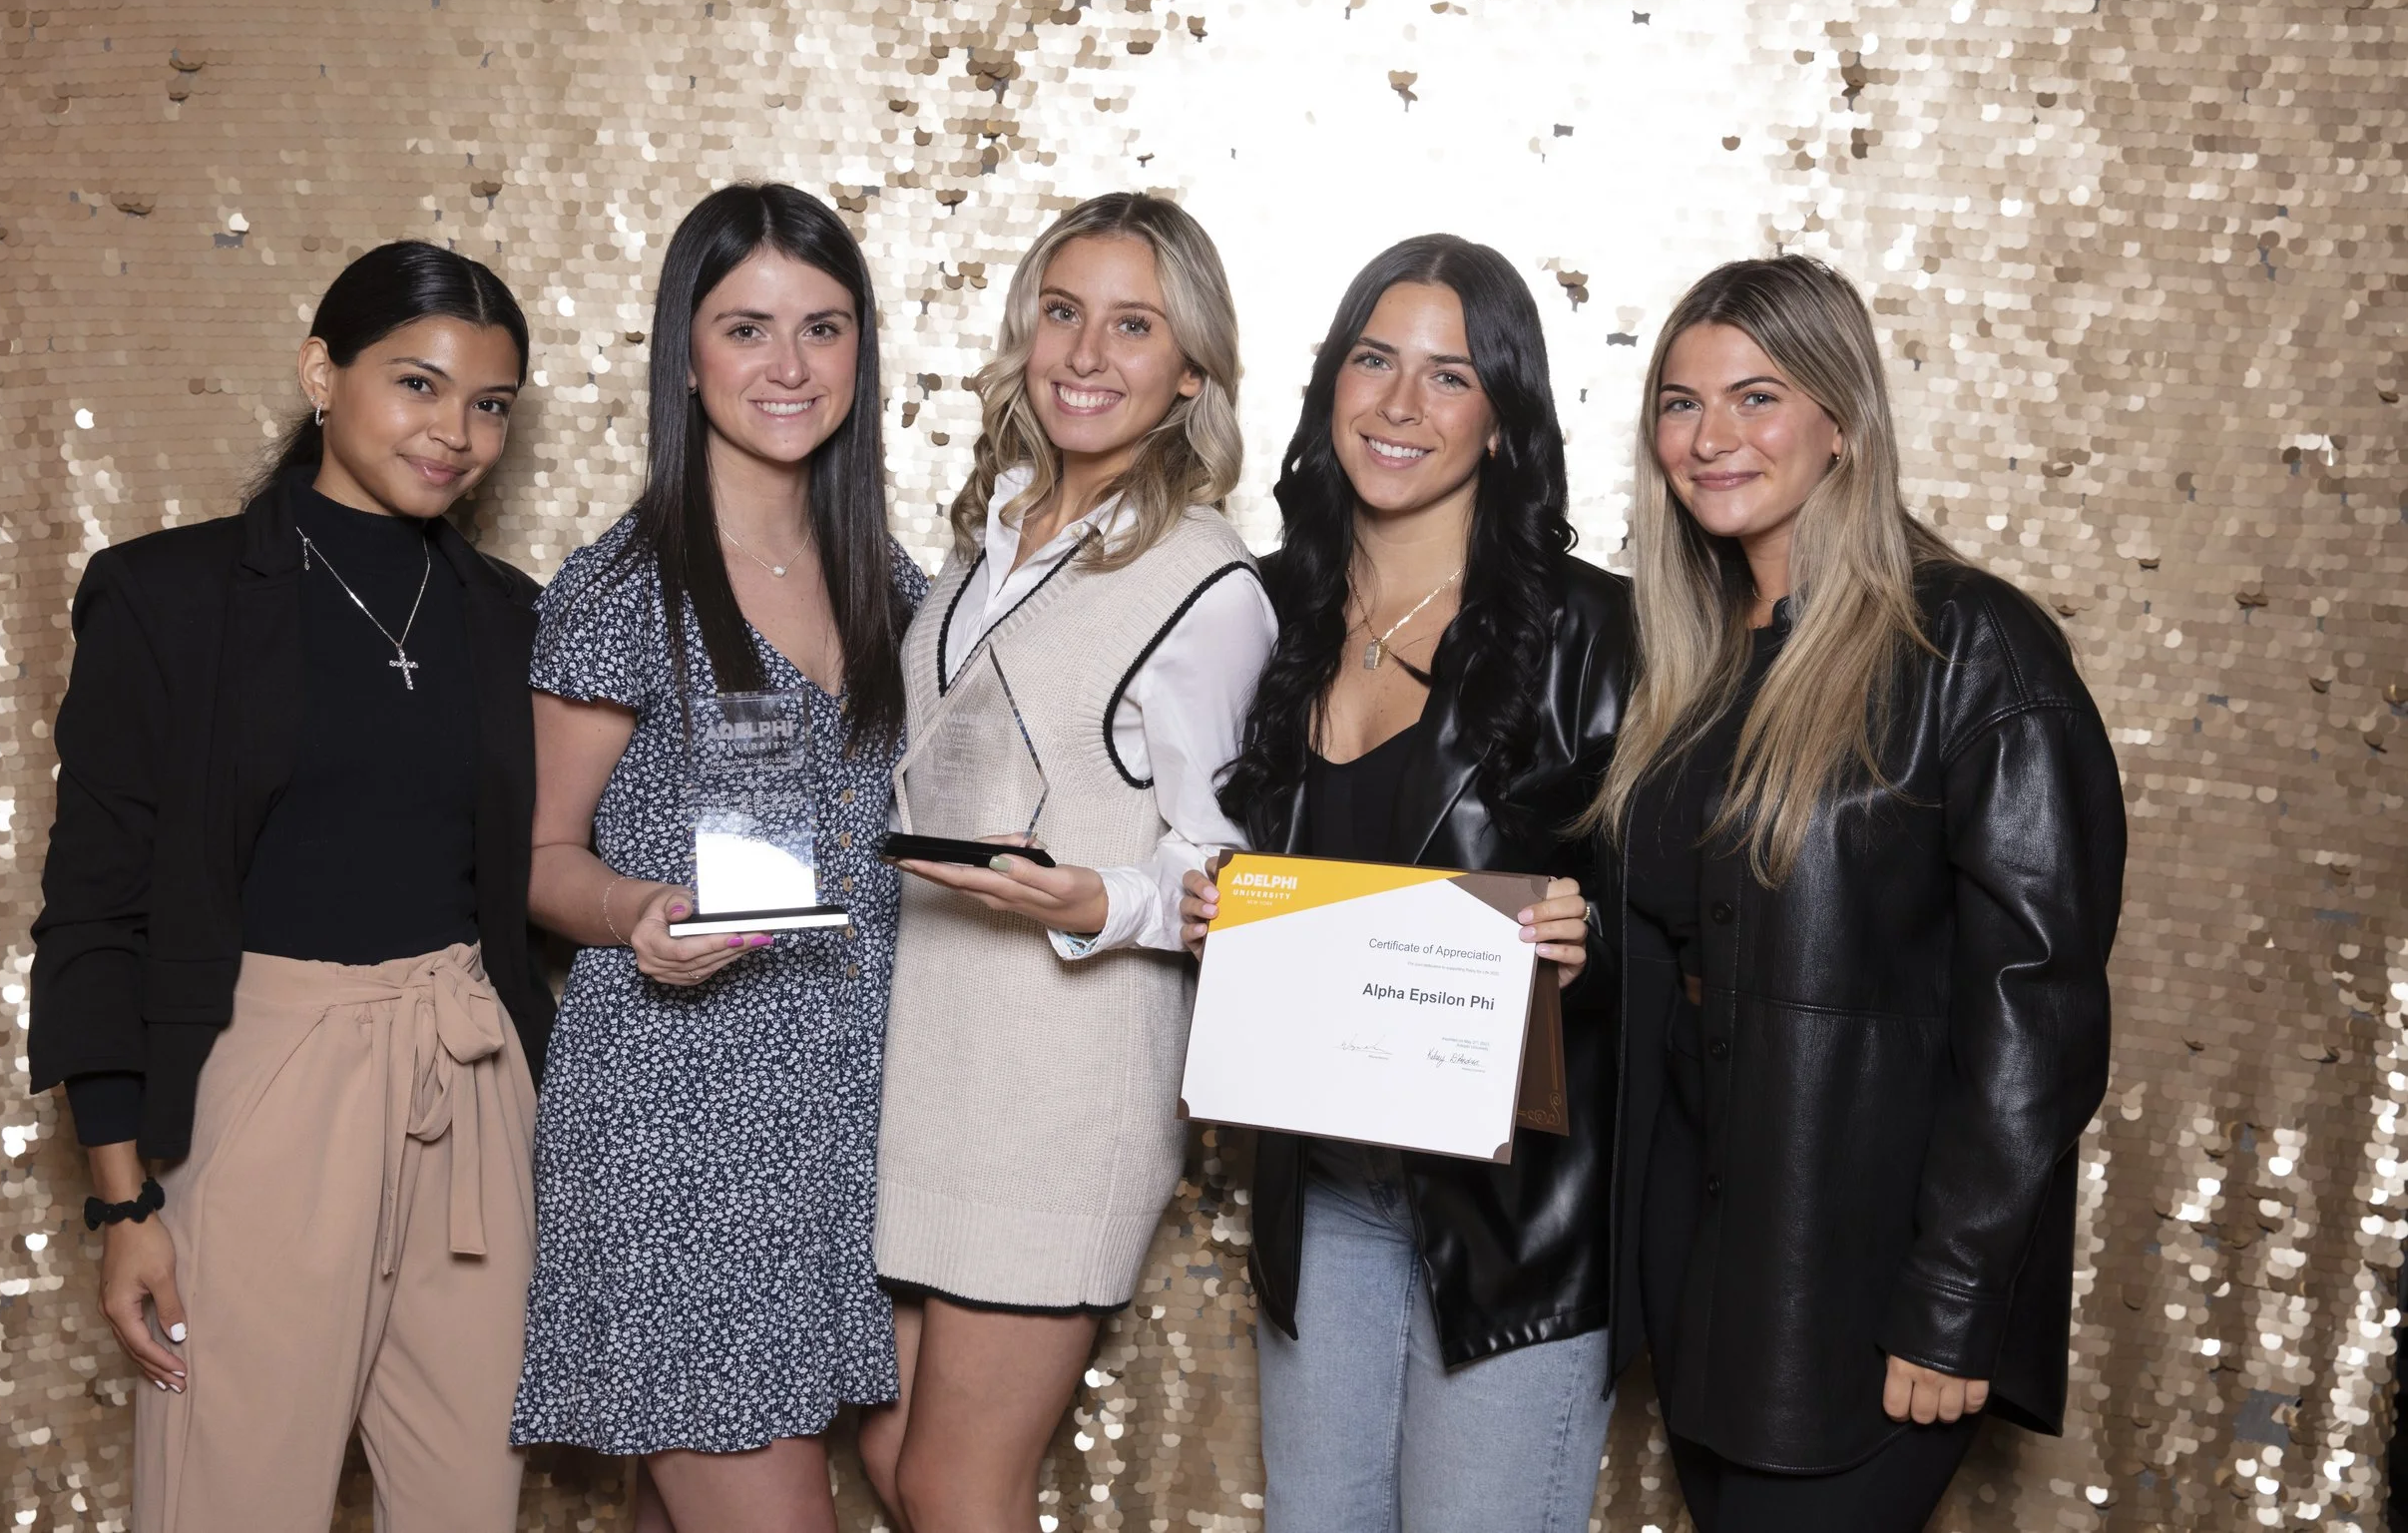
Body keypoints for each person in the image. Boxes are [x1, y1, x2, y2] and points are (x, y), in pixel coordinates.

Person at [1590, 255, 2123, 1530]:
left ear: (1843, 420)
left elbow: (2032, 1016)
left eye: (1754, 397)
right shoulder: (1694, 657)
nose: (1709, 437)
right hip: (1712, 1267)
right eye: (1678, 402)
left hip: (1868, 1286)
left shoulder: (1973, 648)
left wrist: (1950, 1305)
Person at [28, 242, 550, 1531]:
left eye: (490, 404)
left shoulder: (512, 615)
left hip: (472, 1085)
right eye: (417, 384)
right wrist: (123, 1198)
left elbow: (536, 882)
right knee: (231, 1503)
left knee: (469, 1506)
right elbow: (97, 910)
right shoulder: (167, 596)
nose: (456, 432)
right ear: (322, 371)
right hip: (261, 1081)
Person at [1178, 236, 1629, 1532]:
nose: (1398, 403)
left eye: (1449, 374)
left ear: (1505, 416)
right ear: (1329, 383)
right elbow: (1194, 834)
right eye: (1374, 360)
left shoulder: (1596, 633)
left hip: (1516, 1215)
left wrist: (1592, 937)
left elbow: (1690, 921)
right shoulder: (1265, 614)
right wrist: (1210, 898)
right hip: (1321, 1193)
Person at [853, 192, 1274, 1532]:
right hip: (929, 1050)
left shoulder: (1211, 583)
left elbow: (1227, 878)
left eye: (1134, 325)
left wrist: (1102, 899)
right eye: (1062, 311)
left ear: (1189, 370)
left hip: (1064, 1077)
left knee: (952, 1480)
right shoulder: (992, 533)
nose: (1087, 352)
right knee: (893, 1465)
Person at [506, 184, 922, 1533]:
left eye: (823, 326)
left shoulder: (898, 588)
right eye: (746, 327)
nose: (789, 367)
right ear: (684, 352)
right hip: (681, 1129)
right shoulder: (623, 586)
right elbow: (537, 854)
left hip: (847, 1120)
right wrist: (635, 912)